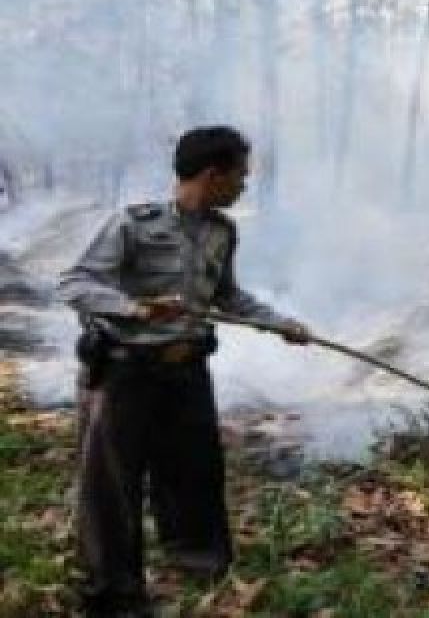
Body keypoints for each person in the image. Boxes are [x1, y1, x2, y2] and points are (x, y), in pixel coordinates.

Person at [57, 126, 311, 618]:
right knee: (112, 487)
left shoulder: (222, 231)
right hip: (124, 373)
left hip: (187, 371)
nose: (243, 185)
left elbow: (226, 296)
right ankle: (113, 596)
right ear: (213, 175)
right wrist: (135, 308)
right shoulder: (132, 225)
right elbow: (76, 283)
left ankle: (199, 571)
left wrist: (279, 323)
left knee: (195, 472)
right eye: (240, 176)